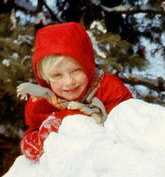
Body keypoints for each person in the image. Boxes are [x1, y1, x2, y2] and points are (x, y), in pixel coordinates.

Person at [17, 21, 132, 161]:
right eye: (57, 75)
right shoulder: (43, 102)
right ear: (45, 79)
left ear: (88, 65)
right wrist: (41, 140)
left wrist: (66, 118)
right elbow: (30, 142)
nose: (69, 82)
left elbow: (128, 127)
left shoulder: (109, 89)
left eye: (76, 71)